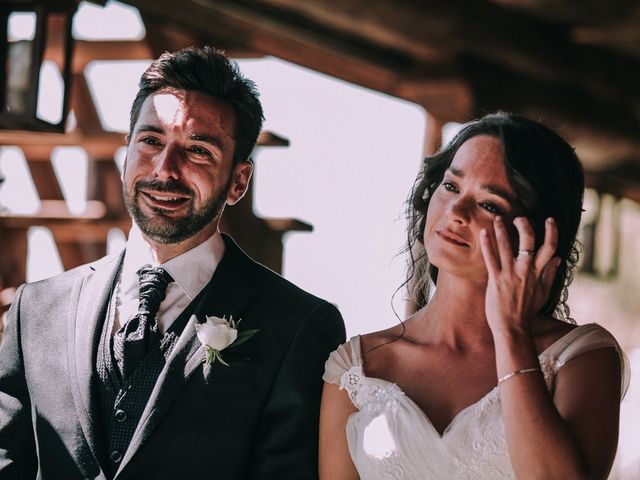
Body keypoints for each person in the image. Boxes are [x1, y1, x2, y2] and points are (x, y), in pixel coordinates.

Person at [0, 46, 345, 479]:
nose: (165, 169)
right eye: (151, 141)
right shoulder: (37, 312)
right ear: (126, 151)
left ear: (238, 181)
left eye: (198, 150)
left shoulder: (298, 326)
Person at [319, 112, 629, 479]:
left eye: (490, 204)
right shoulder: (355, 368)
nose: (456, 212)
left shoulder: (580, 357)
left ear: (535, 235)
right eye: (451, 187)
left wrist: (511, 333)